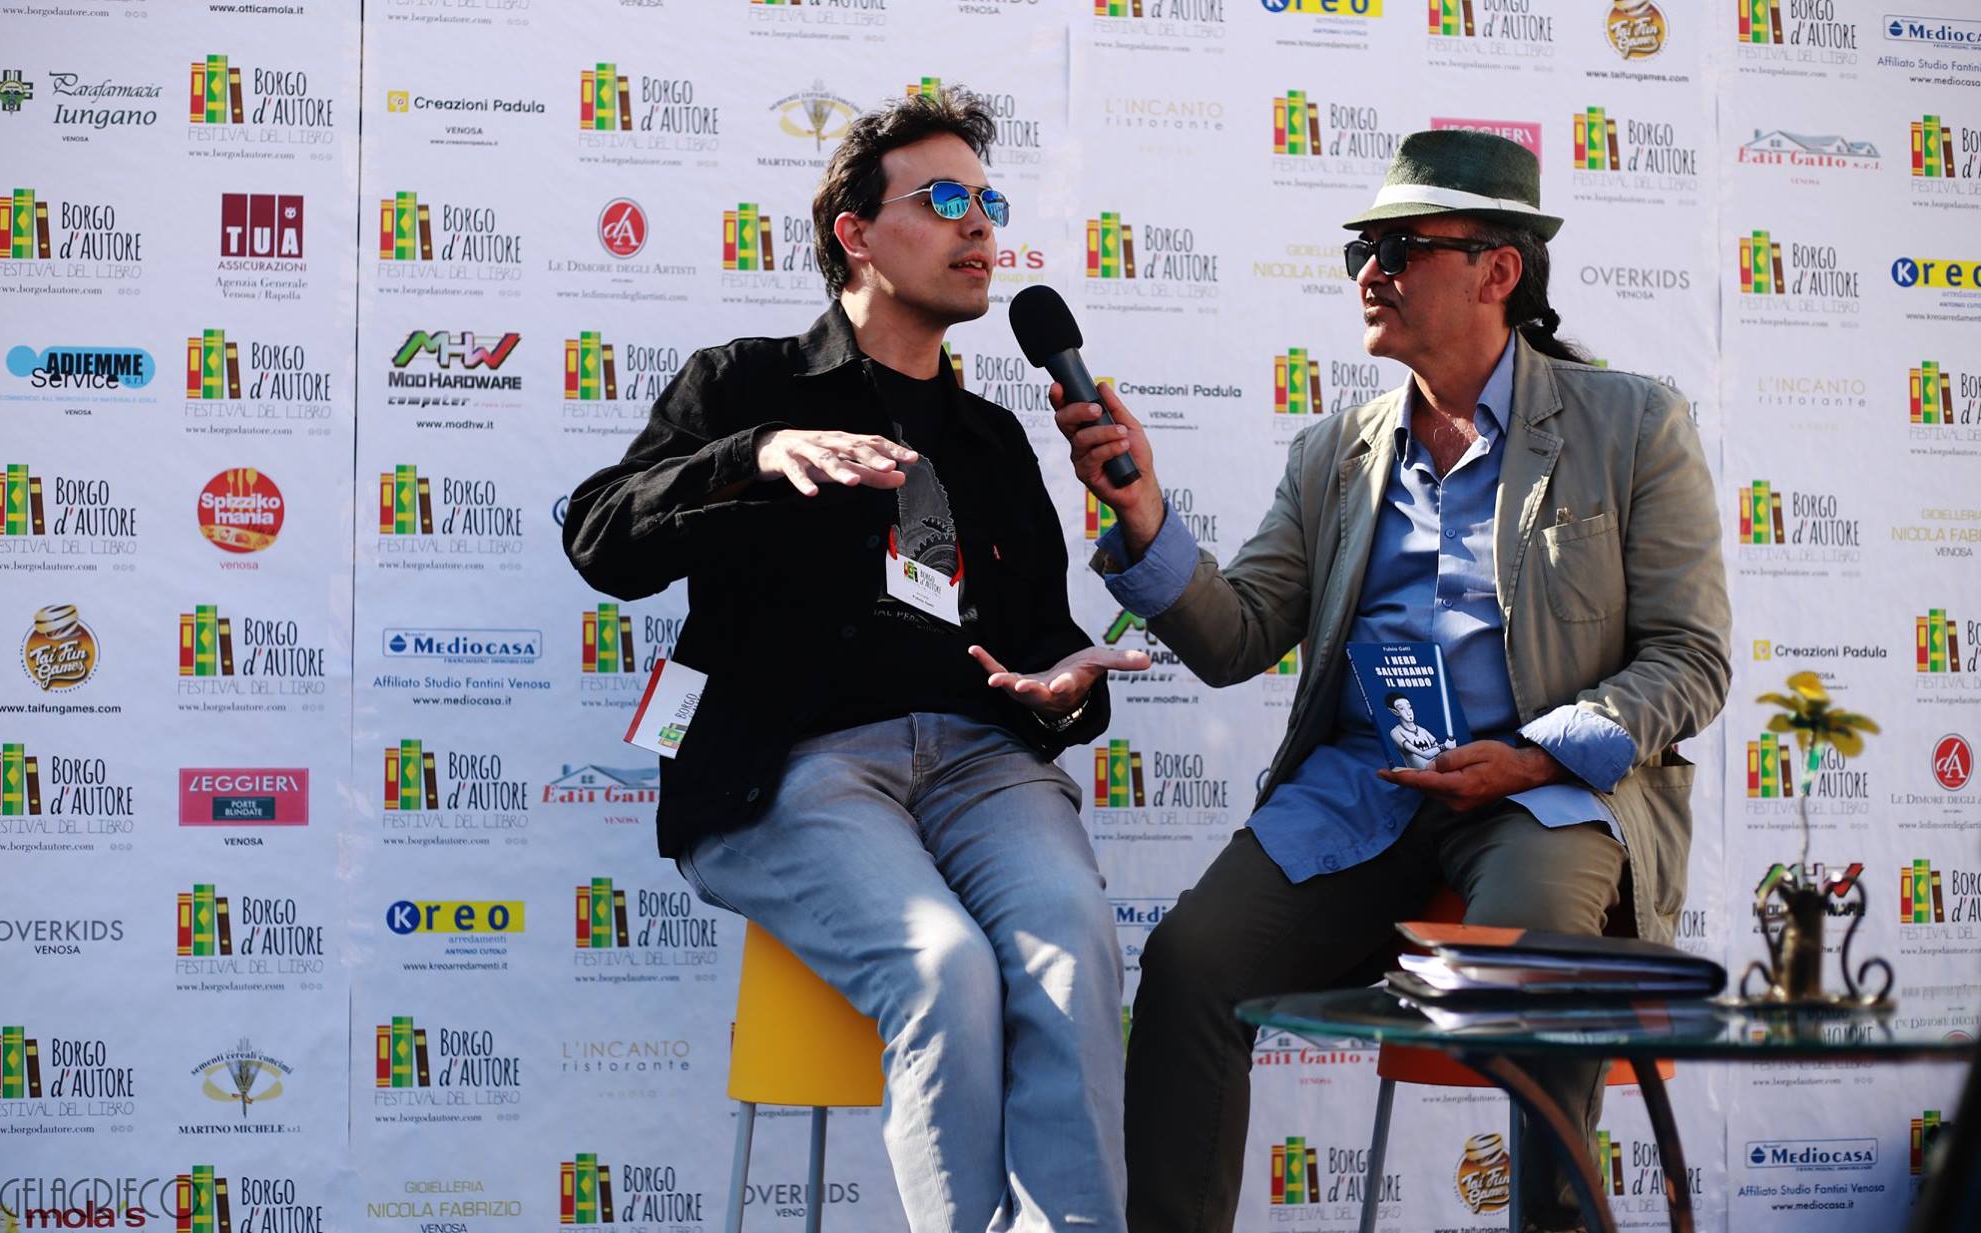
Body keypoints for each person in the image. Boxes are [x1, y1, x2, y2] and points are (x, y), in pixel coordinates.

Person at [1054, 129, 1729, 1233]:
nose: (1370, 271)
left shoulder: (1631, 424)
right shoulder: (1335, 452)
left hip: (1544, 792)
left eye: (1402, 248)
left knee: (1526, 967)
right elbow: (1235, 637)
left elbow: (1688, 657)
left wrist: (1537, 753)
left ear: (1496, 271)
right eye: (1361, 249)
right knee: (1189, 962)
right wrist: (1143, 516)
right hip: (1364, 787)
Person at [565, 88, 1144, 1233]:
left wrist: (1060, 692)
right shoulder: (746, 383)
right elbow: (600, 539)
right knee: (941, 966)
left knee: (1072, 958)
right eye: (942, 199)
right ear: (856, 233)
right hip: (793, 768)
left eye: (988, 204)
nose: (977, 225)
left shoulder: (990, 438)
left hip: (982, 763)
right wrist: (752, 454)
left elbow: (1041, 637)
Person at [1385, 691, 1452, 771]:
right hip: (1417, 775)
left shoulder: (1423, 731)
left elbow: (1440, 755)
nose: (1409, 712)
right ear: (1395, 712)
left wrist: (1450, 749)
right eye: (1402, 708)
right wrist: (1445, 746)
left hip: (1438, 772)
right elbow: (1425, 755)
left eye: (1409, 707)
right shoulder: (1396, 732)